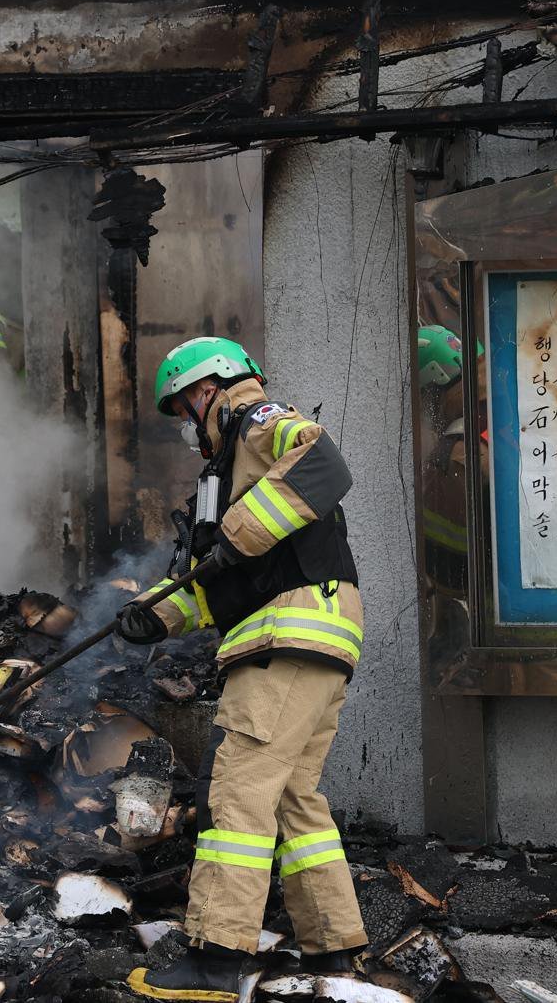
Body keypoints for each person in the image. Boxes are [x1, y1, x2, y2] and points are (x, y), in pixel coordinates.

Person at [120, 336, 369, 1001]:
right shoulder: (226, 474)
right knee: (292, 800)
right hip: (312, 639)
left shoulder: (257, 421)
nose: (186, 425)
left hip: (286, 638)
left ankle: (216, 959)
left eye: (184, 408)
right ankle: (334, 949)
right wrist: (154, 615)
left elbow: (322, 461)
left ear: (210, 388)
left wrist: (239, 533)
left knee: (234, 793)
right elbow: (217, 584)